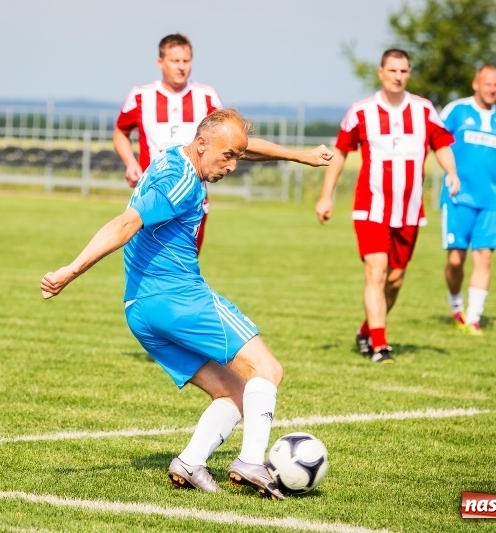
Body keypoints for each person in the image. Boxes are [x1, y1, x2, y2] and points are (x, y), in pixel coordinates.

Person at [41, 109, 333, 498]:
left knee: (234, 391)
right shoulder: (179, 182)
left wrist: (299, 156)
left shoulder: (182, 154)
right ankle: (250, 461)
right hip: (178, 298)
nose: (232, 166)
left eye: (236, 157)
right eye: (227, 156)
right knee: (267, 369)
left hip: (140, 309)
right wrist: (71, 271)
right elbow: (125, 224)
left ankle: (191, 461)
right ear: (201, 145)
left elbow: (243, 146)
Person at [315, 48, 460, 364]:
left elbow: (442, 145)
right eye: (392, 70)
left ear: (409, 74)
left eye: (403, 71)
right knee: (377, 272)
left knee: (395, 280)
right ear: (381, 72)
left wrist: (451, 172)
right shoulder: (361, 111)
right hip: (371, 209)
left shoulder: (423, 110)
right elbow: (340, 152)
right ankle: (380, 346)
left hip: (409, 210)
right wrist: (327, 195)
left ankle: (367, 329)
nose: (398, 76)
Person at [114, 33, 222, 255]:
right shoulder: (140, 96)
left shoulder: (207, 97)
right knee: (148, 263)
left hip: (194, 197)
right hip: (153, 193)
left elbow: (222, 138)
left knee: (186, 264)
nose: (181, 67)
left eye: (186, 61)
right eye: (175, 61)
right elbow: (120, 132)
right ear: (160, 62)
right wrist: (130, 162)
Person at [439, 65, 496, 335]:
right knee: (455, 261)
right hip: (457, 198)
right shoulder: (456, 111)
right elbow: (435, 143)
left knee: (484, 258)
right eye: (487, 83)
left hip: (489, 203)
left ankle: (473, 318)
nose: (492, 88)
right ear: (475, 84)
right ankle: (456, 306)